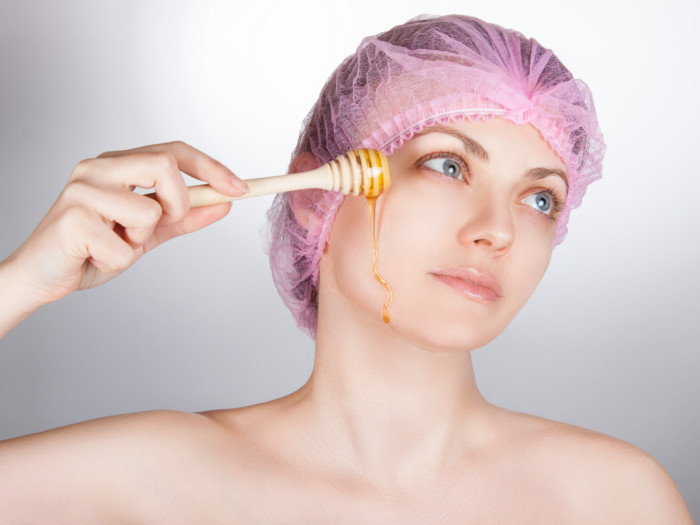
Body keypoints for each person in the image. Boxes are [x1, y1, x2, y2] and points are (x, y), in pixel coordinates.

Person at [0, 14, 692, 523]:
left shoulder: (615, 499)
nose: (497, 229)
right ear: (314, 198)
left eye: (540, 198)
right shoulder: (148, 479)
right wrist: (20, 282)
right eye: (447, 164)